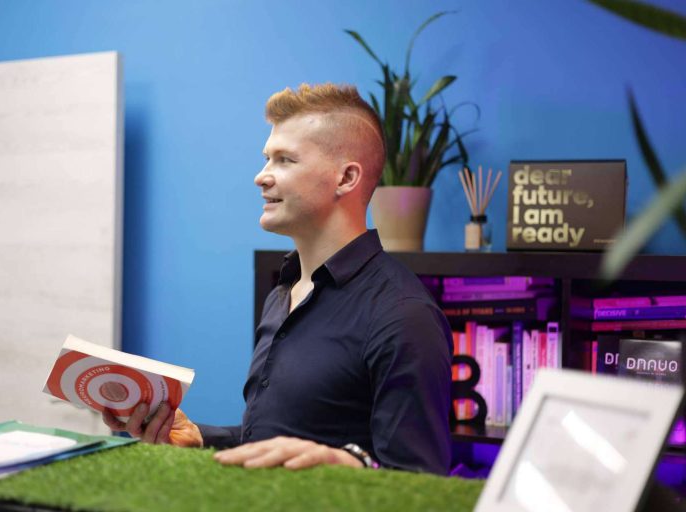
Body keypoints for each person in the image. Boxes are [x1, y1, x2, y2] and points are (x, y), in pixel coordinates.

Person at [103, 83, 452, 474]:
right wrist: (200, 437)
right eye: (267, 159)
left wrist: (352, 463)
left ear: (346, 178)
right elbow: (275, 442)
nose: (261, 177)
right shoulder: (281, 294)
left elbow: (421, 483)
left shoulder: (403, 315)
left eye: (285, 160)